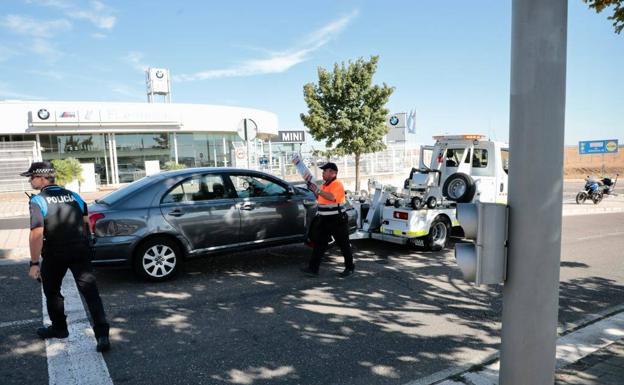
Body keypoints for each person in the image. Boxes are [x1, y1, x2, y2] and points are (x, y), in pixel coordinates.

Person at [22, 161, 110, 352]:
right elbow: (87, 224)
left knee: (52, 291)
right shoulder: (75, 196)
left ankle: (60, 329)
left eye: (32, 177)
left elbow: (36, 233)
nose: (30, 180)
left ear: (42, 177)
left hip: (55, 253)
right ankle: (103, 336)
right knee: (91, 293)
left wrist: (34, 263)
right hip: (80, 250)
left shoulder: (38, 201)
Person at [301, 162, 355, 278]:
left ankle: (350, 268)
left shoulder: (337, 184)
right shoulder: (326, 185)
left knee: (343, 244)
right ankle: (313, 269)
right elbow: (322, 199)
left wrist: (318, 191)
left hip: (337, 220)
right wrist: (314, 191)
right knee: (319, 244)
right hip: (325, 219)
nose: (323, 173)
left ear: (332, 173)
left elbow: (331, 197)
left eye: (324, 171)